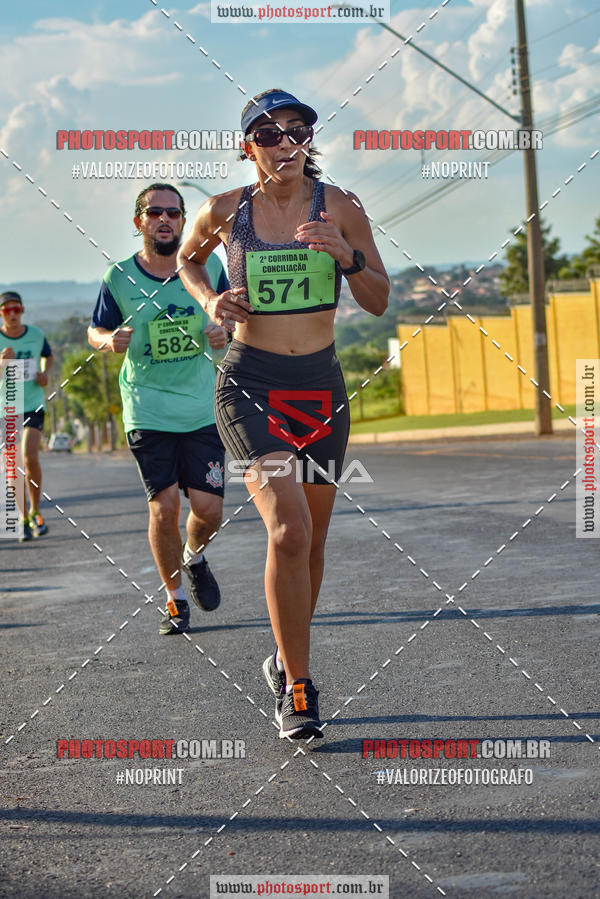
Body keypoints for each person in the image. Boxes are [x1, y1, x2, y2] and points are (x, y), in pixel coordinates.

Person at [177, 90, 389, 739]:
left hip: (320, 388)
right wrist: (212, 298)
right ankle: (298, 687)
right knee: (289, 531)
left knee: (313, 543)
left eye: (298, 131)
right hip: (251, 383)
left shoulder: (341, 207)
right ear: (249, 147)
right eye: (270, 134)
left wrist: (345, 256)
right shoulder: (225, 211)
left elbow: (379, 298)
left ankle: (282, 655)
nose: (286, 142)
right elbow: (188, 258)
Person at [88, 183, 229, 636]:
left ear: (184, 221)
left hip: (201, 408)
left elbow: (234, 314)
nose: (164, 219)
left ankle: (194, 557)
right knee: (164, 508)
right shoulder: (119, 278)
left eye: (173, 212)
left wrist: (224, 330)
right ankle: (174, 599)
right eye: (154, 213)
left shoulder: (206, 268)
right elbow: (95, 329)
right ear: (139, 222)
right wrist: (108, 340)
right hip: (147, 410)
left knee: (207, 511)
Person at [0, 291, 54, 542]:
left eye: (16, 309)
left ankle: (35, 511)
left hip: (33, 404)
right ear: (1, 314)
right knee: (12, 466)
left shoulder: (35, 335)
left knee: (30, 457)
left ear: (22, 310)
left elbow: (48, 357)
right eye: (6, 310)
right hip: (6, 409)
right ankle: (23, 518)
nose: (12, 314)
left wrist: (45, 374)